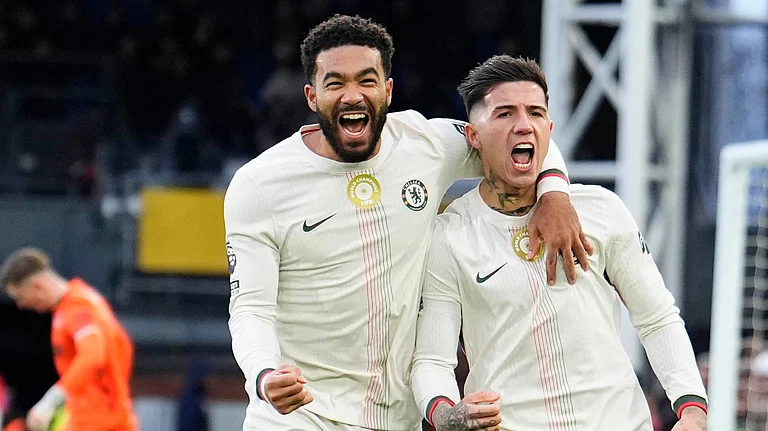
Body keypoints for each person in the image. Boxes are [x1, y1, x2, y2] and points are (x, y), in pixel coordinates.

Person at [225, 14, 593, 431]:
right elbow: (250, 308)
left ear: (388, 89)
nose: (352, 96)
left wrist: (554, 192)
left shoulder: (427, 144)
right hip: (299, 418)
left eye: (366, 81)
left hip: (398, 420)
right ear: (312, 95)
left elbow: (520, 135)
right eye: (335, 83)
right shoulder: (260, 185)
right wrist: (264, 375)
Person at [410, 55, 708, 431]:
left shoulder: (601, 209)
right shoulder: (449, 235)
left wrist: (692, 408)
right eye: (504, 114)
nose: (523, 125)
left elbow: (657, 317)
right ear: (473, 137)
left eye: (535, 113)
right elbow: (432, 360)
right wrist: (445, 414)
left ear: (549, 130)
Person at [0, 248, 137, 431]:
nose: (20, 305)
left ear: (37, 286)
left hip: (101, 421)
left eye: (20, 297)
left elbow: (92, 356)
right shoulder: (78, 301)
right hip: (93, 417)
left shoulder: (77, 308)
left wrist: (50, 401)